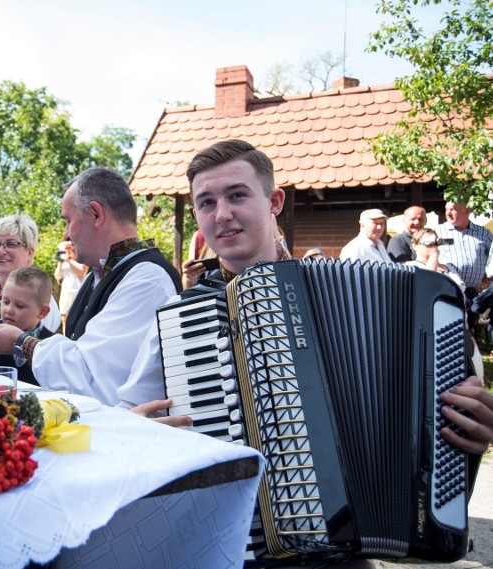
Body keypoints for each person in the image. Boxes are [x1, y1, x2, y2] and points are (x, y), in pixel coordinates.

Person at [122, 140, 491, 459]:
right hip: (240, 526)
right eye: (205, 202)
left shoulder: (359, 293)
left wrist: (470, 424)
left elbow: (447, 410)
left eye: (237, 195)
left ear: (275, 202)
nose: (222, 214)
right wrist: (134, 429)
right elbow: (129, 409)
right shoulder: (182, 317)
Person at [0, 167, 181, 407]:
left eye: (68, 220)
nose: (66, 234)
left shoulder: (147, 279)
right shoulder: (101, 273)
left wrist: (21, 342)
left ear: (95, 214)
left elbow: (95, 379)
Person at [0, 214, 61, 333]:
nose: (0, 251)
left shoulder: (40, 299)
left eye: (11, 244)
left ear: (30, 253)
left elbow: (36, 346)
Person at [436, 202, 492, 329]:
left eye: (453, 209)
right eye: (447, 209)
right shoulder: (438, 231)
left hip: (473, 293)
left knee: (470, 333)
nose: (448, 213)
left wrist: (486, 278)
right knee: (450, 330)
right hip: (449, 292)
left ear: (467, 211)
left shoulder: (484, 233)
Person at [53, 240, 86, 332]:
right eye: (65, 248)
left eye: (69, 247)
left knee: (78, 317)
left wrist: (69, 261)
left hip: (78, 290)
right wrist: (60, 262)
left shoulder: (81, 260)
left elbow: (81, 273)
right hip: (66, 291)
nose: (68, 250)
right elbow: (58, 276)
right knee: (64, 318)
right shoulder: (63, 262)